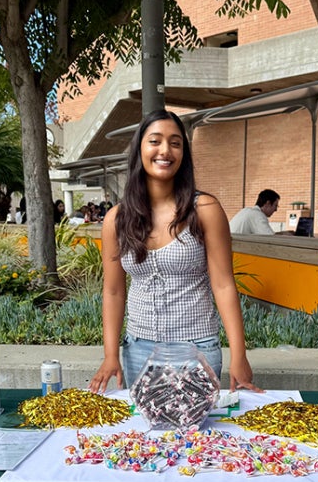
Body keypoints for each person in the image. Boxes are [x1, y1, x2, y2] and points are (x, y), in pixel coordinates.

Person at [89, 109, 258, 394]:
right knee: (145, 436)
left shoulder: (204, 209)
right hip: (139, 351)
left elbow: (224, 284)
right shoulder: (116, 219)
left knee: (199, 436)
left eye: (175, 143)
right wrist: (110, 355)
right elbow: (113, 291)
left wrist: (239, 355)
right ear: (140, 149)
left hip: (197, 350)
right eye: (155, 141)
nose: (165, 150)